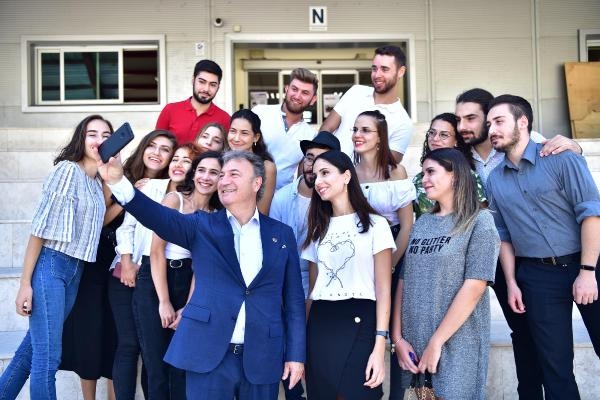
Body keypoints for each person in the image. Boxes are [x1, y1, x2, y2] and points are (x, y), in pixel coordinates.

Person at [100, 150, 306, 400]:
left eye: (234, 174)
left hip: (263, 355)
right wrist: (118, 182)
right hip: (208, 354)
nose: (224, 180)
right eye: (222, 175)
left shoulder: (281, 234)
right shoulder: (202, 225)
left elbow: (294, 301)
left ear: (256, 183)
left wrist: (296, 355)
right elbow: (157, 216)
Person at [454, 88, 583, 399]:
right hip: (502, 255)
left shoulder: (523, 141)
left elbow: (558, 156)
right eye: (459, 120)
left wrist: (575, 145)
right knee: (524, 333)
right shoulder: (461, 155)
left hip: (546, 254)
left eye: (471, 118)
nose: (463, 127)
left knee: (541, 339)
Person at [485, 94, 600, 400]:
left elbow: (591, 213)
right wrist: (511, 282)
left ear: (522, 122)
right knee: (555, 368)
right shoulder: (494, 180)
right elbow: (503, 235)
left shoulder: (562, 158)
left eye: (499, 122)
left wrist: (587, 272)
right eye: (489, 124)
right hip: (538, 276)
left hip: (588, 263)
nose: (492, 130)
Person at [0, 115, 112, 400]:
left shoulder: (96, 183)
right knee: (48, 358)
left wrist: (115, 178)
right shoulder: (67, 171)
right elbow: (39, 229)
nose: (99, 140)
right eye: (92, 134)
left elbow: (95, 225)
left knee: (29, 352)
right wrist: (25, 283)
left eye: (106, 135)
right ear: (81, 138)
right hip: (52, 264)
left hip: (75, 271)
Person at [392, 148, 500, 400]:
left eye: (431, 172)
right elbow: (404, 282)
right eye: (423, 173)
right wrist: (397, 338)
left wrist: (436, 342)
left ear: (455, 176)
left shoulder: (480, 221)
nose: (424, 179)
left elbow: (475, 287)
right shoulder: (422, 223)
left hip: (456, 343)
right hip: (415, 345)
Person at [302, 150, 396, 400]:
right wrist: (302, 344)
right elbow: (313, 291)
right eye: (315, 175)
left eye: (325, 173)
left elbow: (383, 289)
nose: (318, 181)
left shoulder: (376, 225)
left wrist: (380, 344)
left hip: (361, 319)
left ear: (346, 176)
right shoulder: (317, 229)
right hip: (321, 322)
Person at [133, 148, 216, 400]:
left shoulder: (216, 216)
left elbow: (203, 266)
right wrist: (164, 302)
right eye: (201, 170)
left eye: (214, 172)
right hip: (156, 281)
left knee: (180, 367)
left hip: (189, 283)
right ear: (193, 173)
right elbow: (156, 251)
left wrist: (189, 307)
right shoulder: (174, 200)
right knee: (156, 366)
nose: (206, 177)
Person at [269, 131, 340, 400]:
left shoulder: (335, 202)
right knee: (289, 348)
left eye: (322, 160)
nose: (313, 165)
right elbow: (273, 247)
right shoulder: (282, 198)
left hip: (325, 283)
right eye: (310, 157)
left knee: (320, 352)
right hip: (286, 281)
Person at [108, 130, 177, 399]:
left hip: (155, 277)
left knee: (152, 348)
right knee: (129, 345)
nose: (157, 153)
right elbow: (124, 227)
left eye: (165, 149)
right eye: (153, 146)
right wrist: (126, 262)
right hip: (125, 272)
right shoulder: (140, 184)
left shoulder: (174, 190)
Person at [320, 45, 412, 162]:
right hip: (329, 169)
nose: (377, 75)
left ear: (401, 72)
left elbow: (389, 166)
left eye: (384, 69)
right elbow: (327, 128)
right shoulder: (356, 92)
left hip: (361, 175)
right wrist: (324, 160)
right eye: (374, 69)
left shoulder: (403, 122)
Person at [252, 67, 317, 189]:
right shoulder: (259, 113)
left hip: (282, 196)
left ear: (313, 99)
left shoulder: (310, 135)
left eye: (305, 93)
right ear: (287, 89)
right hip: (249, 191)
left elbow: (302, 175)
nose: (297, 96)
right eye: (294, 89)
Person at [412, 113, 486, 218]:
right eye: (432, 133)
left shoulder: (467, 176)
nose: (435, 138)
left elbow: (482, 217)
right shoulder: (419, 179)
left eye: (444, 135)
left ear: (456, 141)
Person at [156, 59, 230, 144]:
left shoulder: (225, 119)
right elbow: (157, 143)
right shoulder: (170, 110)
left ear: (218, 87)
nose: (206, 89)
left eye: (212, 85)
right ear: (193, 80)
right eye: (202, 82)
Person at [227, 109, 277, 214]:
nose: (236, 138)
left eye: (244, 133)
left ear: (256, 137)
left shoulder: (266, 168)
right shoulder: (221, 162)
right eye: (233, 131)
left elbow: (262, 212)